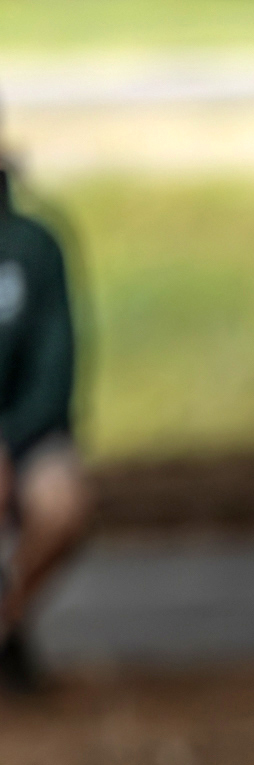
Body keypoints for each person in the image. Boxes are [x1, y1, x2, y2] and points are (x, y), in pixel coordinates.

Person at [0, 141, 90, 695]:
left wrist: (9, 442)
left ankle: (8, 622)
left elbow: (56, 369)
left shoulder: (34, 246)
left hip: (28, 434)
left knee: (62, 505)